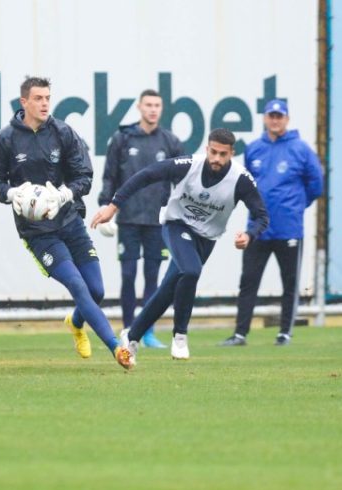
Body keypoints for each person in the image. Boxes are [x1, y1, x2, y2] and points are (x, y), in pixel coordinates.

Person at [0, 76, 133, 369]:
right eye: (38, 98)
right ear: (23, 102)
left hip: (69, 221)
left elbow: (84, 176)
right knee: (77, 286)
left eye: (47, 98)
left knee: (96, 291)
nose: (44, 104)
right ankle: (117, 348)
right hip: (38, 233)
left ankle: (75, 323)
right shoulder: (6, 139)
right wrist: (13, 193)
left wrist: (63, 194)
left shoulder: (63, 132)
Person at [92, 128, 269, 362]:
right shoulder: (188, 165)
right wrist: (113, 206)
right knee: (191, 270)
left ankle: (131, 336)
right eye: (213, 152)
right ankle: (180, 335)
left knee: (167, 291)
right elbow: (146, 175)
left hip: (207, 238)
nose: (216, 159)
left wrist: (249, 234)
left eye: (222, 154)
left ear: (231, 154)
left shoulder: (241, 179)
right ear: (206, 149)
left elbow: (262, 216)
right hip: (177, 225)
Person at [221, 99, 323, 347]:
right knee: (248, 282)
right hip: (257, 228)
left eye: (279, 116)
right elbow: (246, 186)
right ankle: (240, 333)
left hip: (289, 228)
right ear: (265, 118)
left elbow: (316, 184)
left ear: (287, 119)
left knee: (289, 283)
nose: (275, 120)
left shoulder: (301, 149)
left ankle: (284, 332)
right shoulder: (255, 148)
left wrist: (296, 206)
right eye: (271, 116)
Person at [97, 89, 184, 348]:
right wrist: (105, 206)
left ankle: (147, 332)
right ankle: (127, 328)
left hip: (158, 221)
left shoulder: (170, 141)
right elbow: (109, 176)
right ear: (139, 107)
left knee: (153, 276)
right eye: (148, 105)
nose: (153, 109)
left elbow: (183, 181)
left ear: (162, 108)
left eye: (157, 105)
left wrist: (180, 213)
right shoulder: (123, 139)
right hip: (129, 220)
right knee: (128, 273)